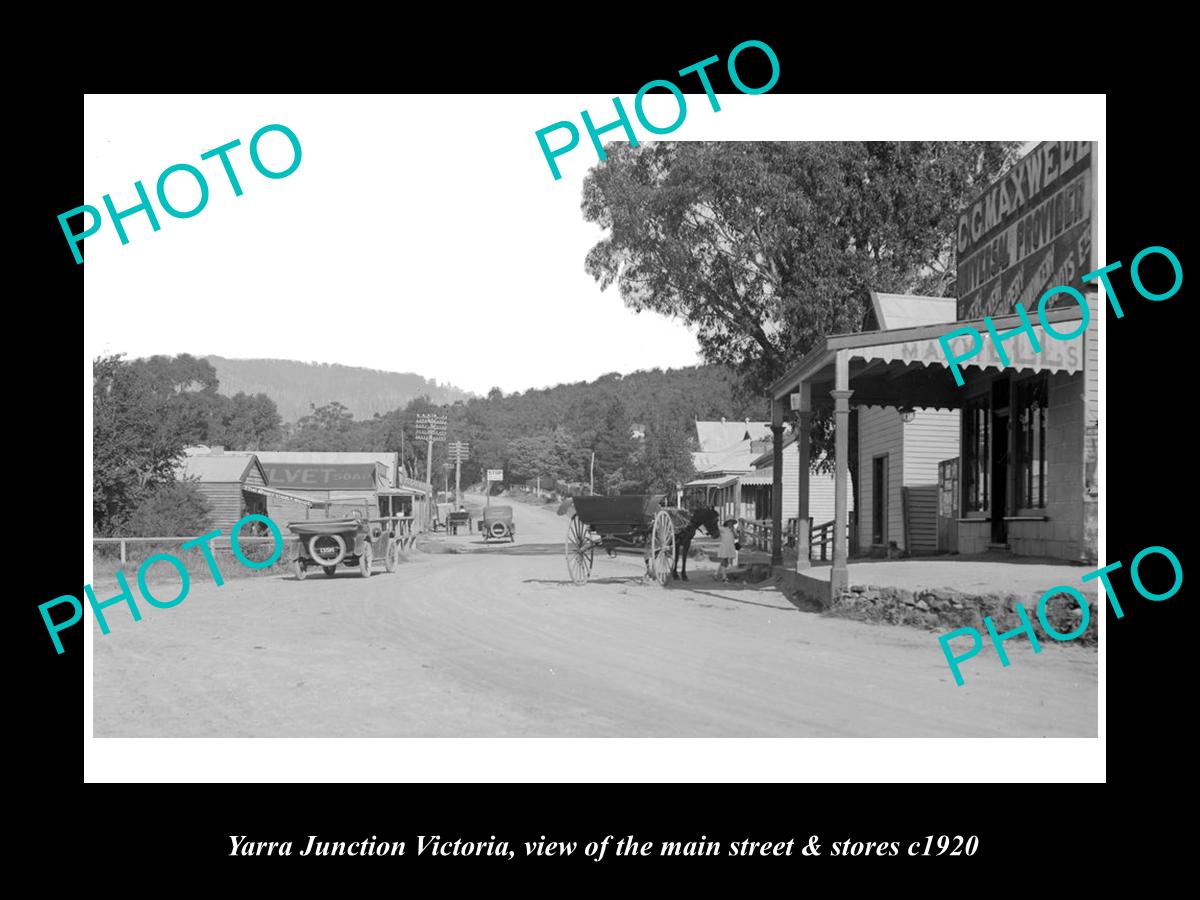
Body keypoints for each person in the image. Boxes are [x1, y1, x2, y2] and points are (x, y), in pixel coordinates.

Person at [715, 518, 738, 582]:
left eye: (731, 522)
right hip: (724, 546)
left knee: (726, 562)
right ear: (727, 523)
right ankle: (724, 577)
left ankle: (716, 574)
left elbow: (736, 537)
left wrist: (733, 530)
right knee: (724, 560)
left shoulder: (733, 529)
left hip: (730, 546)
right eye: (729, 522)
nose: (730, 523)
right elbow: (716, 529)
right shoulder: (722, 528)